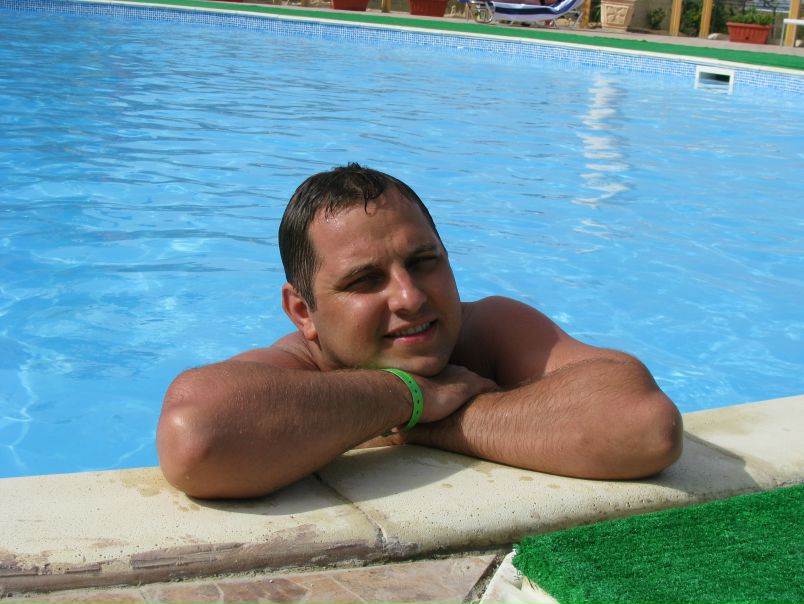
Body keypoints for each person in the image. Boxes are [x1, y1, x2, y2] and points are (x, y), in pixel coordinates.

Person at [157, 164, 683, 500]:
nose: (410, 297)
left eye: (424, 261)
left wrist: (426, 423)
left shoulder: (489, 328)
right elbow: (196, 438)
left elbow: (643, 426)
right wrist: (409, 397)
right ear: (303, 313)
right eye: (365, 280)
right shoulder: (294, 369)